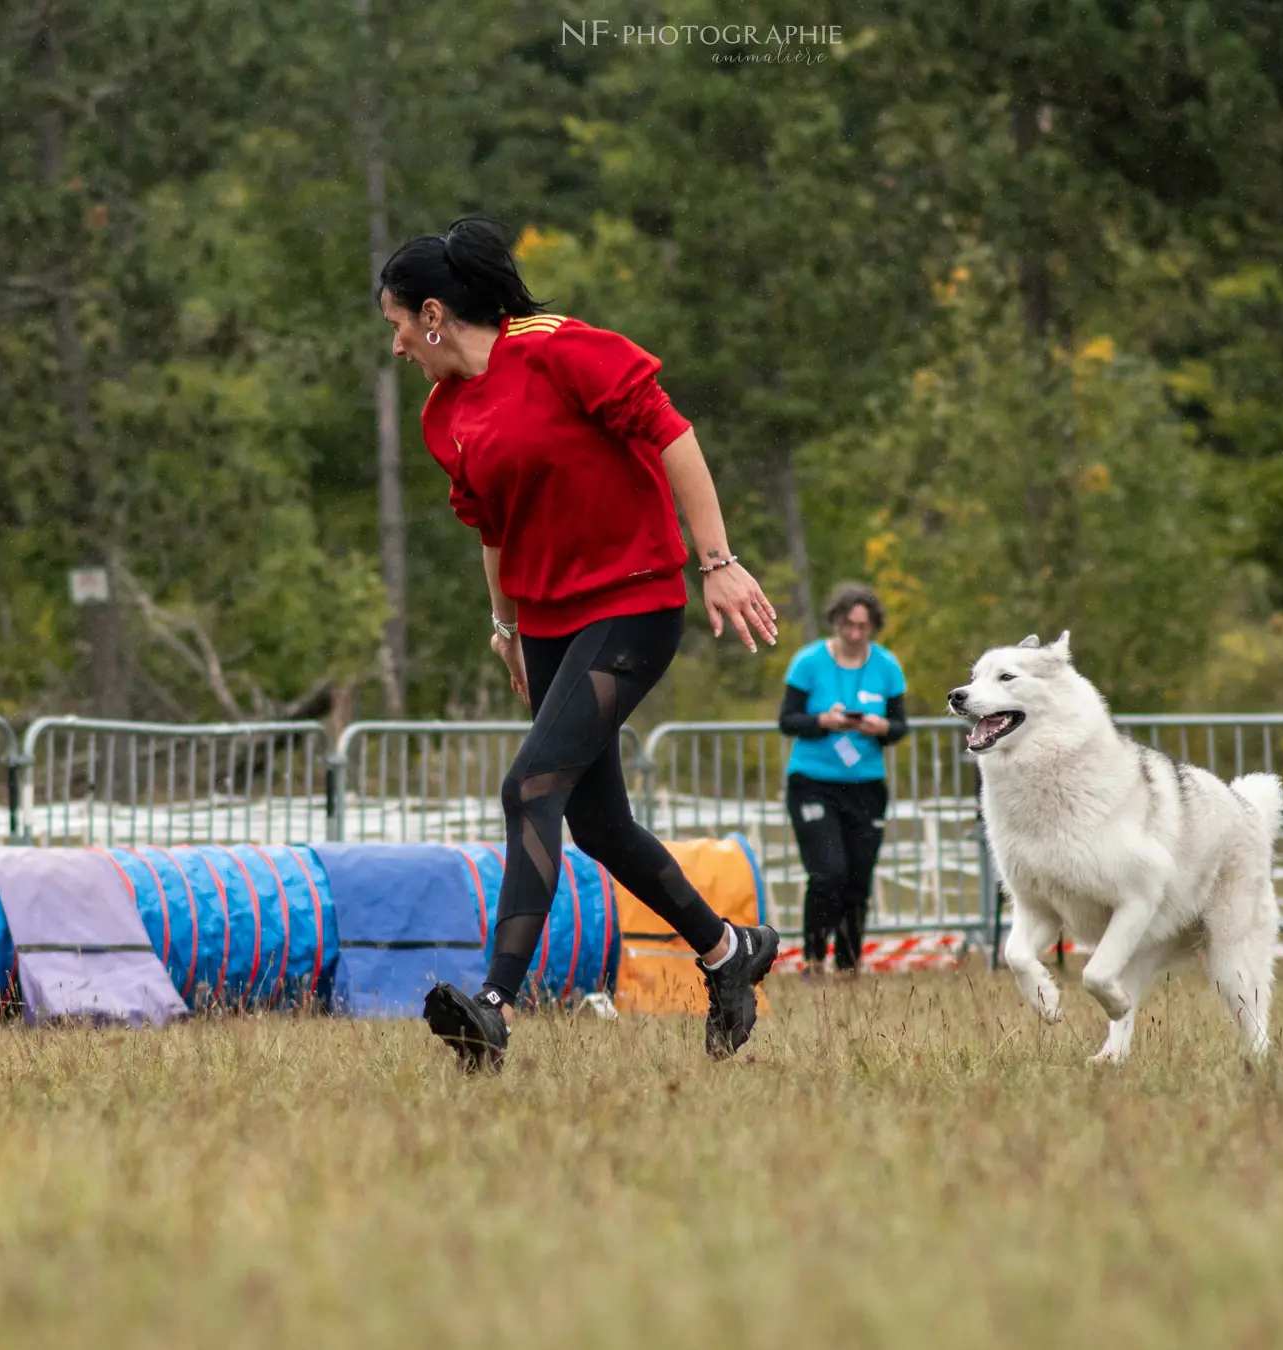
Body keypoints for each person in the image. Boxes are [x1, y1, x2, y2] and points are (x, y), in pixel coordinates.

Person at [378, 216, 782, 1069]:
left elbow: (673, 434)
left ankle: (493, 1005)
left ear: (436, 314)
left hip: (632, 604)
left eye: (398, 324)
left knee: (529, 788)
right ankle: (726, 951)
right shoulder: (443, 415)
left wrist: (718, 561)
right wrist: (507, 628)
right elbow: (490, 527)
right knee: (597, 823)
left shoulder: (560, 349)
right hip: (551, 624)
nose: (398, 345)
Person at [777, 583, 908, 974]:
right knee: (827, 872)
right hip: (813, 780)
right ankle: (813, 960)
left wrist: (880, 727)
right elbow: (787, 721)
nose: (854, 634)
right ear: (835, 622)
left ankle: (849, 965)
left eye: (862, 627)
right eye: (848, 625)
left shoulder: (887, 666)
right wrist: (824, 721)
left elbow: (900, 727)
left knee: (857, 878)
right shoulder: (808, 662)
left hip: (866, 785)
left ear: (872, 627)